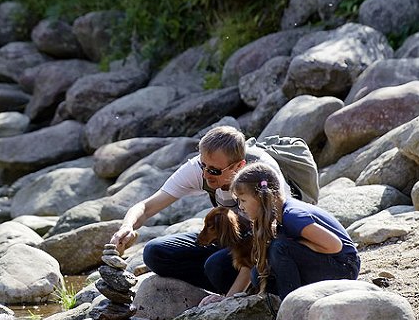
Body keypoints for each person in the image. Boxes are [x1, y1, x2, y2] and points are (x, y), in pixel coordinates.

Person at [109, 125, 291, 305]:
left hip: (269, 246)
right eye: (203, 165)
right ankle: (224, 281)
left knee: (216, 266)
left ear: (239, 166)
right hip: (234, 240)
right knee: (154, 253)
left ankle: (248, 289)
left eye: (213, 170)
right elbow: (146, 207)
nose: (205, 174)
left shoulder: (262, 177)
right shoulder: (201, 169)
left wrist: (227, 300)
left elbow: (263, 243)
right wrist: (127, 227)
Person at [232, 162, 360, 300]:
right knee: (258, 275)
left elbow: (335, 245)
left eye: (243, 200)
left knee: (280, 248)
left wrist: (296, 244)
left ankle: (291, 305)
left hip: (345, 267)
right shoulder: (279, 216)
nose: (241, 207)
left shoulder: (292, 216)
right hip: (330, 263)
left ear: (260, 196)